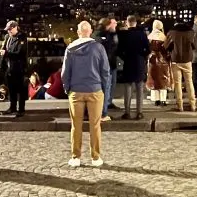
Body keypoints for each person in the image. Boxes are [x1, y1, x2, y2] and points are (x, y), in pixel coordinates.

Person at [62, 20, 109, 167]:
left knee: (76, 125)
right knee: (95, 125)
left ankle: (75, 157)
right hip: (95, 90)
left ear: (78, 32)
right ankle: (95, 157)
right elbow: (105, 72)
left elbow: (65, 73)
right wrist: (104, 90)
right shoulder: (99, 48)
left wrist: (67, 88)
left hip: (76, 91)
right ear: (90, 31)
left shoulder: (70, 48)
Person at [118, 15, 150, 120]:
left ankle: (127, 112)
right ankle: (139, 112)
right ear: (135, 22)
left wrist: (124, 57)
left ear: (127, 23)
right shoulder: (142, 34)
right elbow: (148, 49)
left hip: (128, 62)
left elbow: (119, 50)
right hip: (139, 62)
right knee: (140, 88)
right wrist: (143, 57)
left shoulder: (123, 35)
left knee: (128, 88)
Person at [165, 18, 197, 112]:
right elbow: (195, 46)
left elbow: (166, 46)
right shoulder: (191, 32)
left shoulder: (172, 33)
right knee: (189, 82)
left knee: (177, 83)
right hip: (187, 60)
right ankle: (193, 104)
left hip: (175, 60)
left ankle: (180, 105)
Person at [0, 20, 28, 118]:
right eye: (8, 30)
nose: (9, 31)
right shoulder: (7, 37)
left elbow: (20, 53)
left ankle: (21, 109)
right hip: (9, 67)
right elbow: (4, 48)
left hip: (19, 67)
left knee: (20, 89)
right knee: (11, 89)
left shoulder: (22, 37)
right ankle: (12, 107)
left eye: (10, 29)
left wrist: (6, 53)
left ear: (16, 27)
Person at [94, 16, 119, 120]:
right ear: (108, 25)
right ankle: (103, 113)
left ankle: (101, 110)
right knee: (105, 88)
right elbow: (110, 49)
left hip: (102, 65)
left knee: (104, 88)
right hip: (106, 65)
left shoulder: (97, 34)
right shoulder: (105, 36)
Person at [146, 20, 172, 106]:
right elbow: (167, 50)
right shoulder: (163, 37)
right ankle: (163, 100)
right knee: (163, 80)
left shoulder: (149, 37)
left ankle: (156, 99)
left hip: (153, 60)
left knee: (154, 80)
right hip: (163, 61)